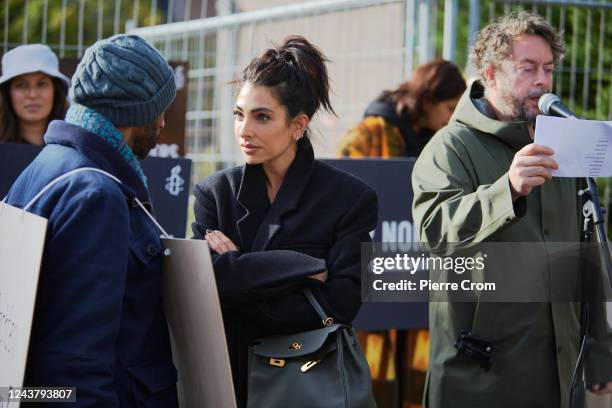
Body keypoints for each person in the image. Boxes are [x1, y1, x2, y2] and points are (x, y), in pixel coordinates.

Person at [412, 12, 612, 408]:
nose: (542, 80)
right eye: (528, 68)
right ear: (491, 73)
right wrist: (508, 190)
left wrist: (600, 350)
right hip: (479, 377)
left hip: (558, 374)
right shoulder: (450, 147)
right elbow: (436, 233)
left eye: (548, 69)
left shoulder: (561, 143)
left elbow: (586, 255)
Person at [192, 35, 378, 407]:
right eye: (239, 114)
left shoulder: (349, 199)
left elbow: (339, 305)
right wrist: (303, 269)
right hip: (228, 380)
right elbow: (204, 291)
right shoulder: (215, 194)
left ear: (298, 125)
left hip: (308, 382)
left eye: (262, 117)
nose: (245, 130)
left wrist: (237, 270)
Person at [6, 34, 178, 406]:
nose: (163, 122)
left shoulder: (51, 163)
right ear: (138, 112)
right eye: (160, 109)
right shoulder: (97, 194)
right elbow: (75, 364)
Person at [339, 58, 466, 158]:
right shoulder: (370, 131)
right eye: (450, 109)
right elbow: (343, 172)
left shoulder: (437, 142)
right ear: (428, 101)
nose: (453, 117)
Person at [0, 44, 69, 144]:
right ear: (7, 93)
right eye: (21, 85)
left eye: (42, 84)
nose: (33, 95)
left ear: (56, 90)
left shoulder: (77, 150)